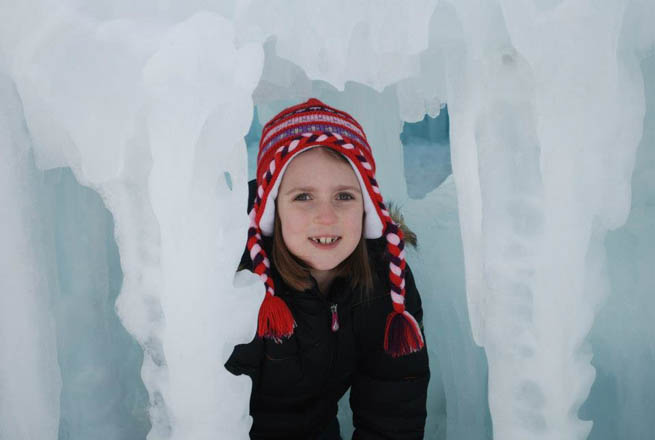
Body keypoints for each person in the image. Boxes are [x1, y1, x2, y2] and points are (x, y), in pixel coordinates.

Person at [225, 98, 430, 439]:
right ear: (273, 211)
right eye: (303, 197)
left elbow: (394, 407)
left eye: (344, 196)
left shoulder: (386, 279)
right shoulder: (241, 281)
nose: (326, 216)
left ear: (367, 207)